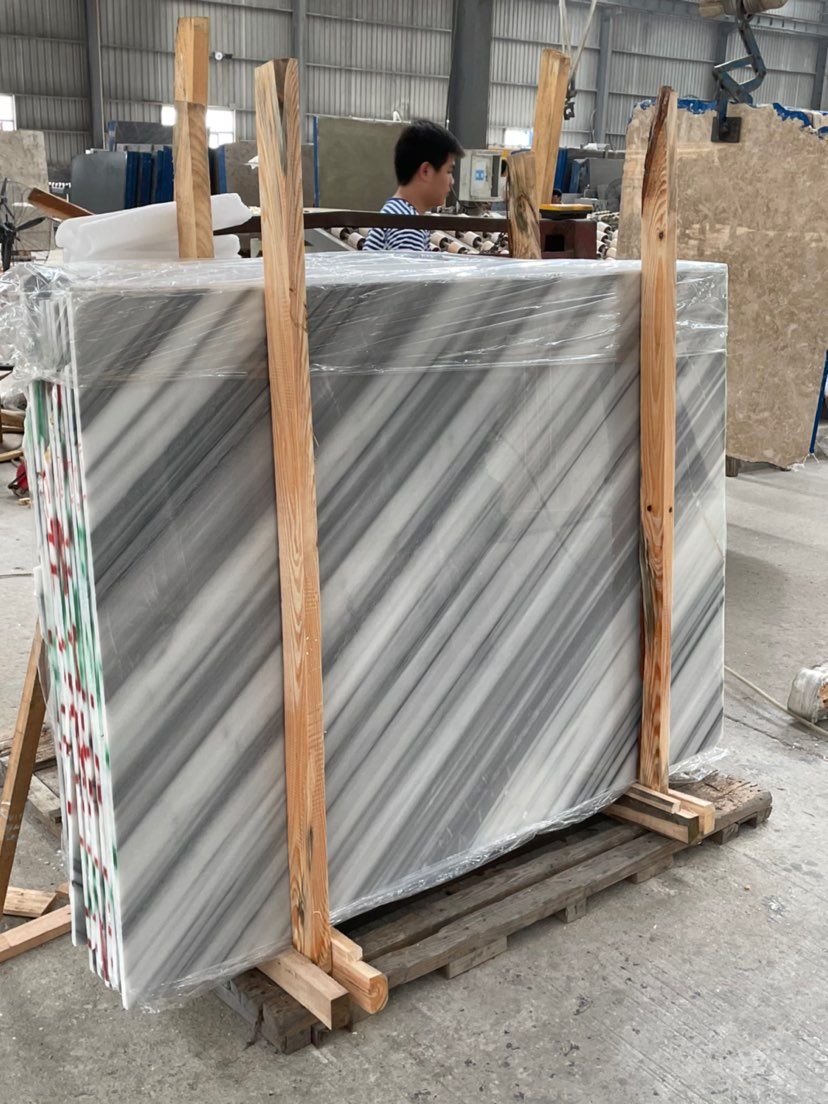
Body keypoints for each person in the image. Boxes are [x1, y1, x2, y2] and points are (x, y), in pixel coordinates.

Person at [363, 120, 464, 252]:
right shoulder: (407, 228)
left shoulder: (399, 214)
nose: (452, 181)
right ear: (426, 171)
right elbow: (409, 266)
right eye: (449, 171)